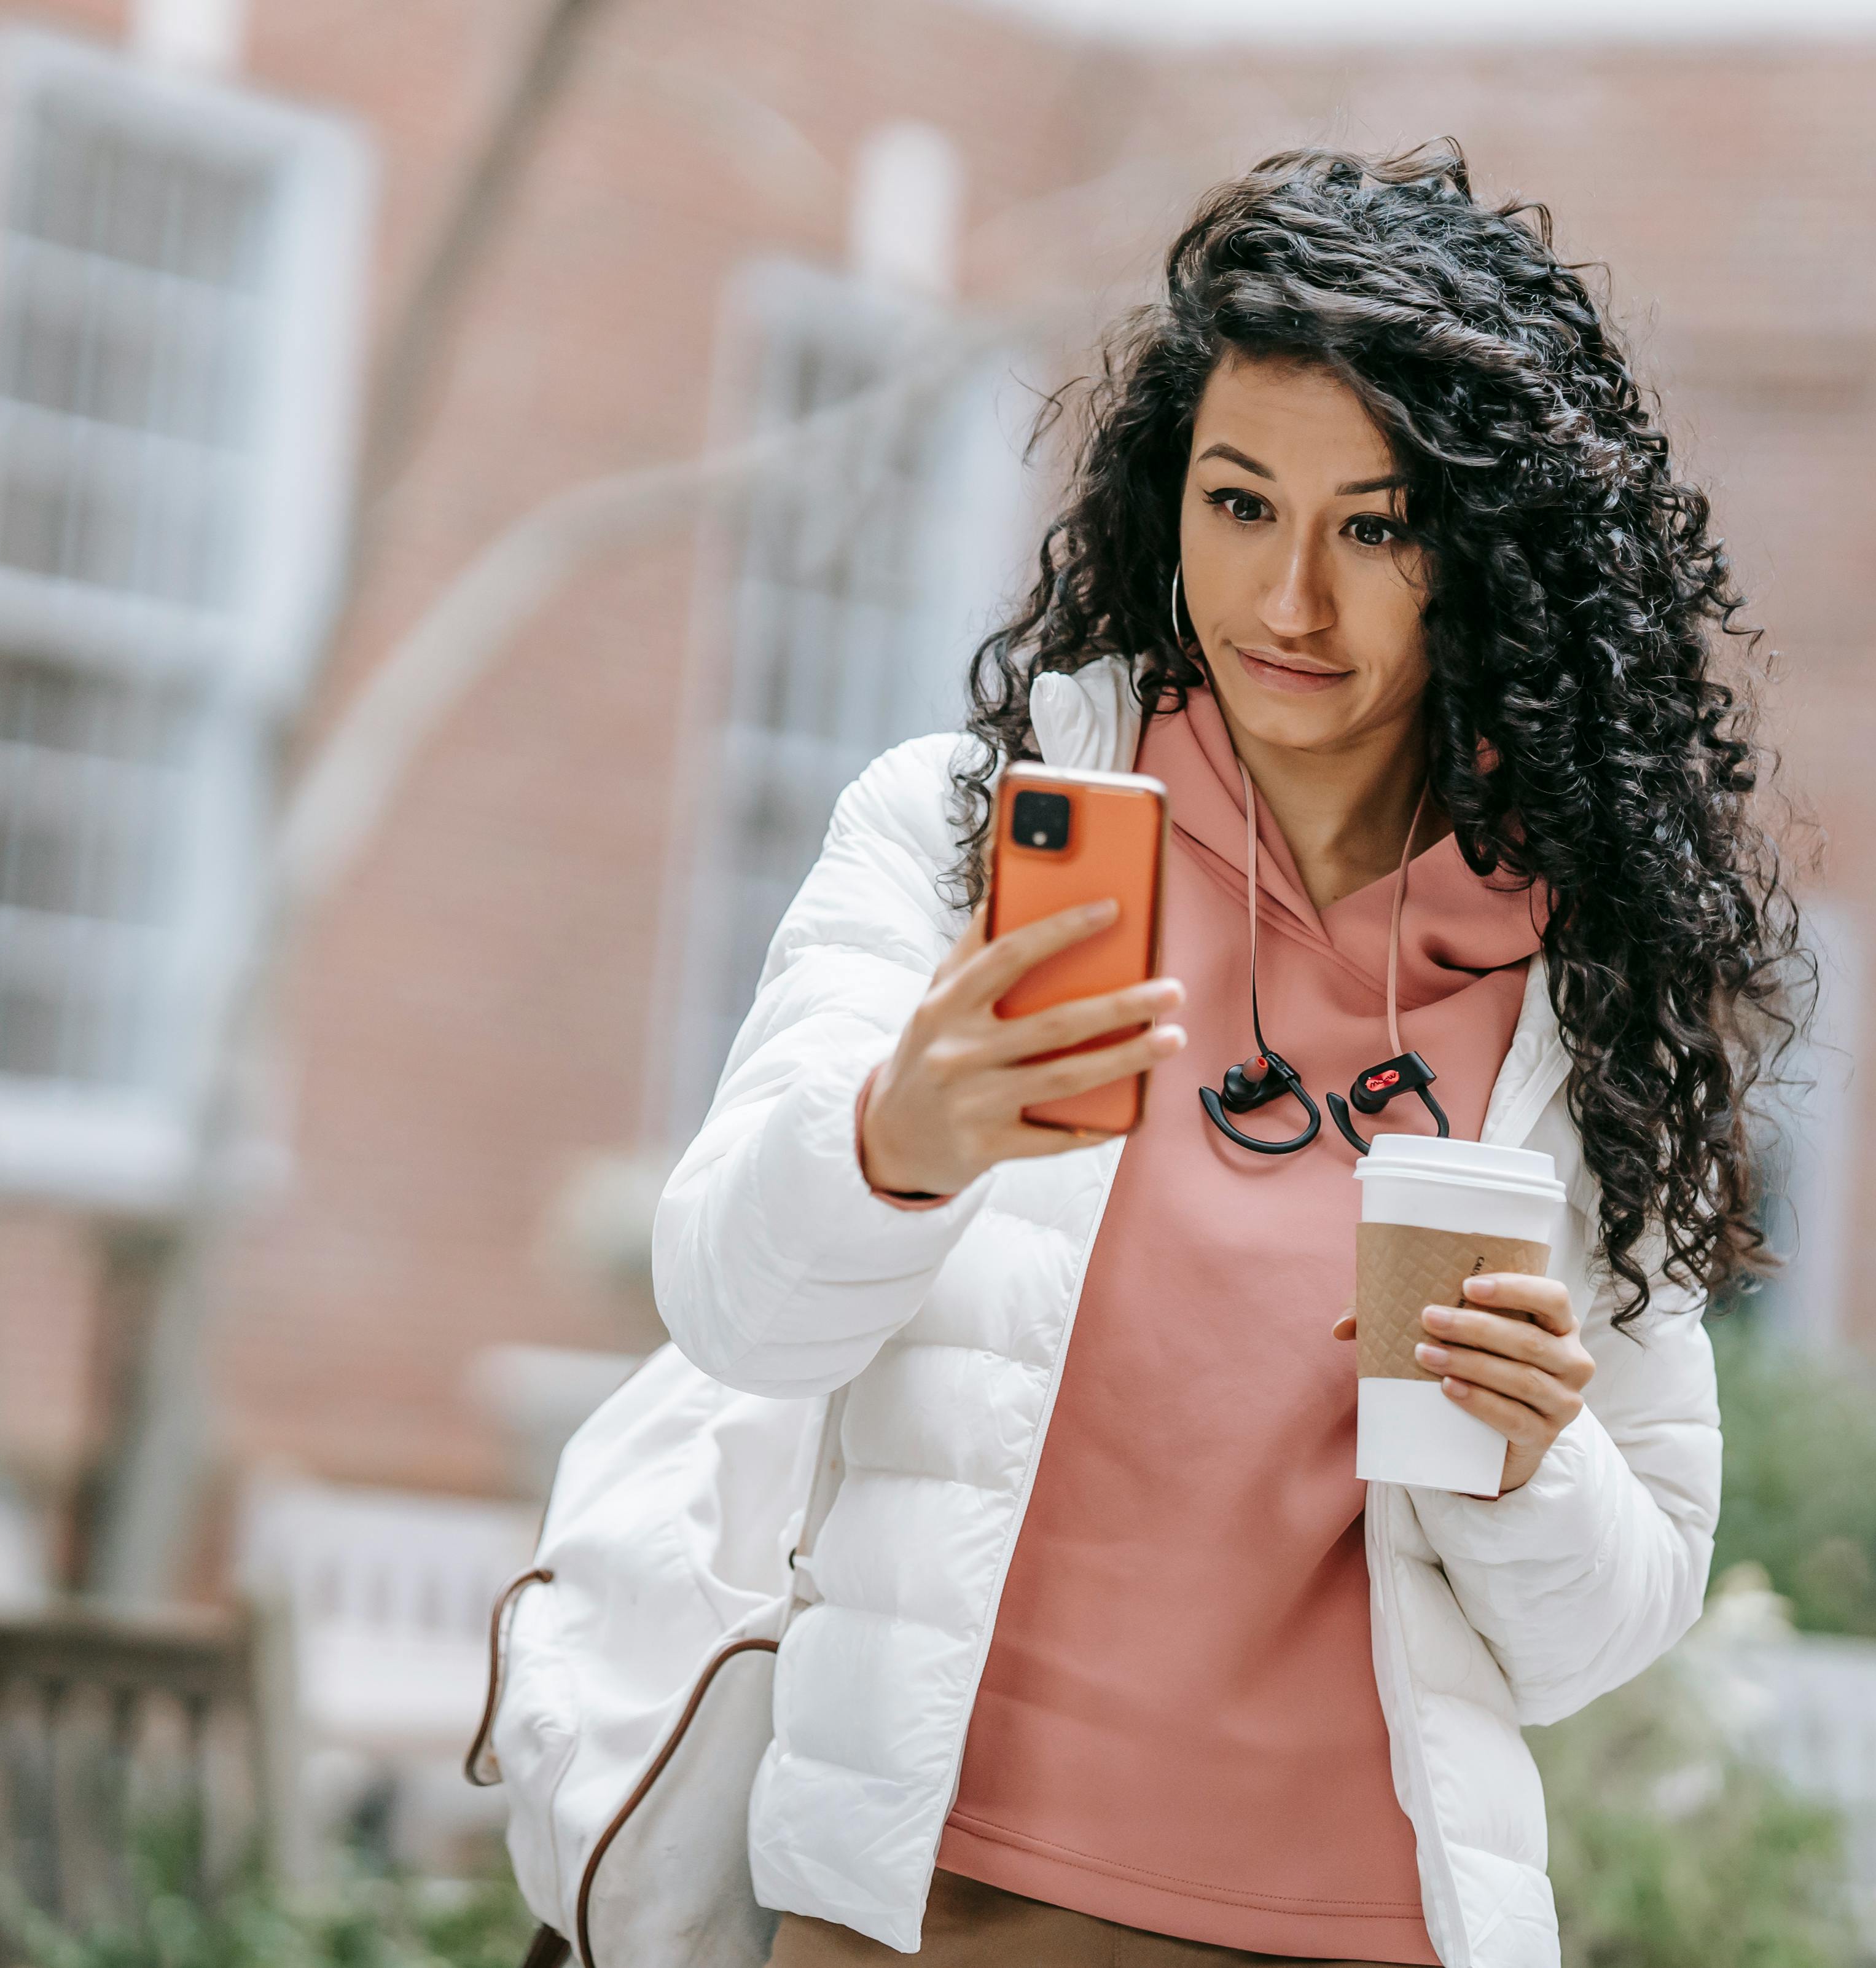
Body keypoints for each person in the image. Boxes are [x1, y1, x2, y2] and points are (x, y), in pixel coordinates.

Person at [653, 143, 1800, 1968]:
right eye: (1241, 503)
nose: (1290, 602)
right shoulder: (965, 842)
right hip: (930, 1910)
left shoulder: (1579, 987)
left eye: (1373, 525)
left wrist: (1528, 1454)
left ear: (1479, 554)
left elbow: (1609, 1617)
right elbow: (726, 1303)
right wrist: (898, 1137)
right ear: (1162, 500)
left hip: (1370, 1927)